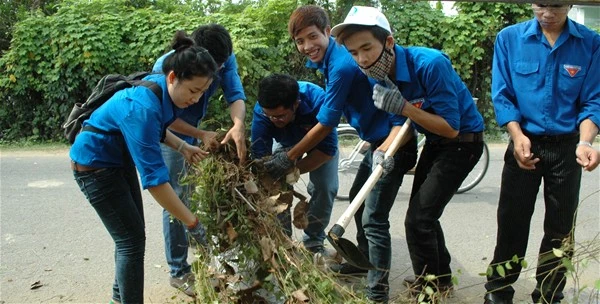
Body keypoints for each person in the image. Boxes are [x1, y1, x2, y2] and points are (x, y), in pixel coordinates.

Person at [331, 5, 485, 301]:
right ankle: (439, 280)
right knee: (424, 217)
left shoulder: (430, 64)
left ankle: (431, 289)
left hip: (463, 143)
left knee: (418, 220)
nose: (362, 59)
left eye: (367, 48)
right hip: (435, 141)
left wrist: (403, 106)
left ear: (388, 42)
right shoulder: (375, 71)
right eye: (353, 53)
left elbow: (451, 127)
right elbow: (400, 123)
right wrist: (383, 151)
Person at [70, 31, 218, 304]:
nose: (196, 99)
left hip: (116, 161)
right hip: (93, 167)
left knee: (130, 237)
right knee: (131, 242)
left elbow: (157, 129)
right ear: (173, 77)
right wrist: (192, 221)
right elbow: (156, 181)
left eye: (202, 92)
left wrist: (184, 148)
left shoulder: (161, 89)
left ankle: (119, 298)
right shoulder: (142, 105)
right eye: (194, 90)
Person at [285, 6, 418, 303]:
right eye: (299, 41)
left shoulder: (342, 65)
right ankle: (362, 265)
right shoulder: (331, 61)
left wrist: (290, 156)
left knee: (374, 219)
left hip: (394, 144)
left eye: (312, 37)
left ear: (327, 32)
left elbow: (327, 122)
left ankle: (377, 291)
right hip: (376, 142)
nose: (307, 46)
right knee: (359, 205)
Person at [482, 4, 600, 304]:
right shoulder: (509, 38)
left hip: (566, 148)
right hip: (525, 142)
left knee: (560, 228)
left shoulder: (590, 43)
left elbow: (593, 101)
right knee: (512, 221)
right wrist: (517, 135)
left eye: (556, 5)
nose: (547, 12)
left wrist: (586, 142)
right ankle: (498, 292)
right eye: (540, 4)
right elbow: (503, 94)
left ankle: (549, 293)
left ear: (570, 4)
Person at [152, 24, 247, 296]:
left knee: (190, 195)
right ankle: (178, 271)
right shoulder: (167, 66)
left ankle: (198, 250)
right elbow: (163, 117)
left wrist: (238, 123)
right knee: (176, 197)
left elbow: (235, 95)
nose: (217, 70)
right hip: (170, 132)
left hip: (195, 131)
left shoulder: (225, 59)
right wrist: (198, 134)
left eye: (220, 65)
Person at [251, 74, 339, 254]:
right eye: (271, 117)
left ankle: (314, 239)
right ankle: (284, 242)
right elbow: (260, 154)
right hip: (284, 144)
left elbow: (327, 150)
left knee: (325, 187)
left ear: (296, 104)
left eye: (281, 116)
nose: (275, 120)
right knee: (276, 186)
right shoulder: (262, 111)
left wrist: (293, 169)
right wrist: (273, 175)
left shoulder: (318, 101)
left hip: (319, 146)